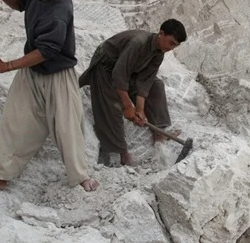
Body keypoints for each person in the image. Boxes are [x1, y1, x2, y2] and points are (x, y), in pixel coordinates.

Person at [0, 0, 99, 192]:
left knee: (67, 126)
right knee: (14, 119)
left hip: (57, 73)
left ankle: (81, 176)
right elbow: (19, 4)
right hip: (31, 70)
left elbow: (46, 52)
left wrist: (6, 66)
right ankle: (2, 176)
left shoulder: (59, 10)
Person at [79, 19, 187, 166]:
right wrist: (127, 106)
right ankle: (122, 152)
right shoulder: (138, 43)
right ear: (161, 34)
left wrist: (140, 110)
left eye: (175, 45)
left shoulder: (159, 53)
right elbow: (118, 75)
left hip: (129, 70)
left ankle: (159, 133)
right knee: (113, 105)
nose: (172, 48)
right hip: (106, 66)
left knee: (157, 86)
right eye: (171, 43)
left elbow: (145, 81)